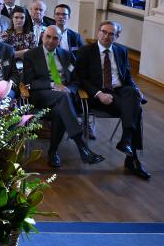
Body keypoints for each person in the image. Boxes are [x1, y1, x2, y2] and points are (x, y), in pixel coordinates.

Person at [73, 21, 150, 180]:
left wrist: (136, 89)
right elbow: (80, 79)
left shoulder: (121, 51)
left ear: (117, 36)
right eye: (104, 32)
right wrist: (99, 93)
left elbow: (127, 76)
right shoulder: (86, 51)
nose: (107, 36)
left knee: (133, 94)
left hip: (120, 91)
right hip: (98, 95)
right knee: (137, 110)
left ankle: (127, 142)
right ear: (98, 32)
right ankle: (132, 157)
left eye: (111, 34)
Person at [22, 26, 103, 169]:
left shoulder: (66, 55)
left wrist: (69, 89)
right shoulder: (31, 55)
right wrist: (53, 85)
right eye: (48, 37)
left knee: (60, 110)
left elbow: (77, 80)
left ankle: (53, 152)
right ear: (42, 37)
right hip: (42, 94)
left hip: (64, 97)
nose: (51, 41)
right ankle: (81, 147)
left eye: (55, 38)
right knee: (62, 98)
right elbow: (29, 82)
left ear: (59, 40)